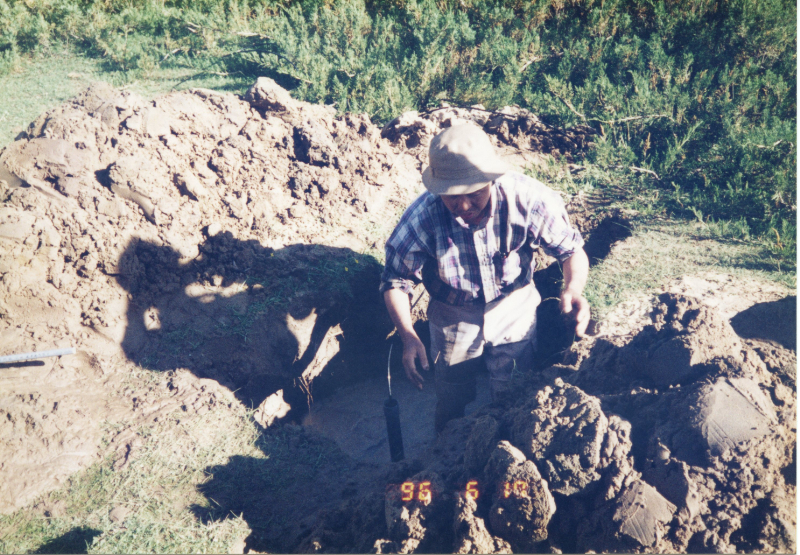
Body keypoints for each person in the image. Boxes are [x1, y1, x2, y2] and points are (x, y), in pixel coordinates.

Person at [380, 123, 590, 433]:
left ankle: (506, 446)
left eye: (473, 194)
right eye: (452, 198)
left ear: (491, 179)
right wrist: (408, 335)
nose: (463, 207)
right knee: (452, 394)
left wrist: (572, 288)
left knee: (514, 390)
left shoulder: (529, 201)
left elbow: (571, 250)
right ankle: (445, 448)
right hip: (452, 313)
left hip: (514, 305)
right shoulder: (421, 217)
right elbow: (396, 279)